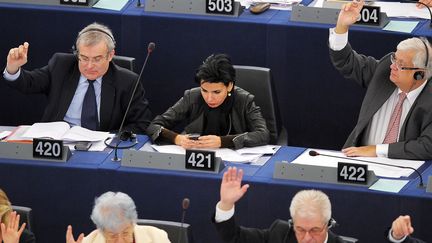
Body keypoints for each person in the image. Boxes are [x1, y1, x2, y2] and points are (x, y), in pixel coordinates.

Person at [2, 22, 152, 134]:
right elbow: (30, 83)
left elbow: (141, 123)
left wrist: (111, 139)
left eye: (97, 59)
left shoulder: (127, 81)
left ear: (111, 55)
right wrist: (13, 68)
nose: (89, 66)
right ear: (77, 54)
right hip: (59, 142)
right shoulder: (61, 66)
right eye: (84, 58)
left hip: (101, 146)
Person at [329, 0, 432, 160]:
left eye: (401, 65)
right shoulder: (385, 71)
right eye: (394, 59)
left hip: (402, 168)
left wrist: (377, 150)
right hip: (359, 160)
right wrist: (342, 26)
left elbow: (427, 146)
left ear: (419, 74)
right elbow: (346, 61)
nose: (393, 66)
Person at [146, 54, 270, 149]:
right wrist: (176, 138)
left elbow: (263, 134)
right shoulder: (192, 96)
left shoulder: (244, 100)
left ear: (229, 86)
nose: (209, 98)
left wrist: (223, 141)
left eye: (216, 92)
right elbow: (154, 126)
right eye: (204, 90)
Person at [213, 167, 345, 243]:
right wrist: (226, 204)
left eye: (315, 230)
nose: (307, 238)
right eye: (300, 229)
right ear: (292, 223)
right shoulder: (280, 234)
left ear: (328, 224)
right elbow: (235, 238)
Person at [66, 191, 170, 243]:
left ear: (133, 224)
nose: (120, 241)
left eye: (125, 233)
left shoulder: (157, 238)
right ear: (100, 231)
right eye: (113, 236)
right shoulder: (89, 241)